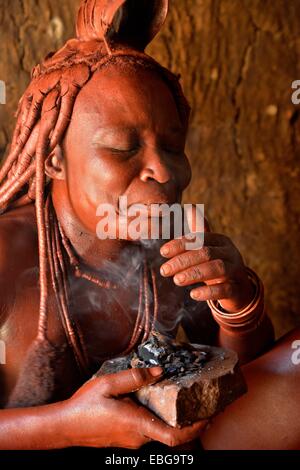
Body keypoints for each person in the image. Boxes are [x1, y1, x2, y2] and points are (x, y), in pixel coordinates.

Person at [0, 0, 299, 450]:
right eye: (123, 148)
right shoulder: (8, 253)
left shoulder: (173, 236)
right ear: (53, 159)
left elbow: (240, 376)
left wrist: (237, 300)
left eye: (174, 146)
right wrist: (65, 425)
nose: (161, 170)